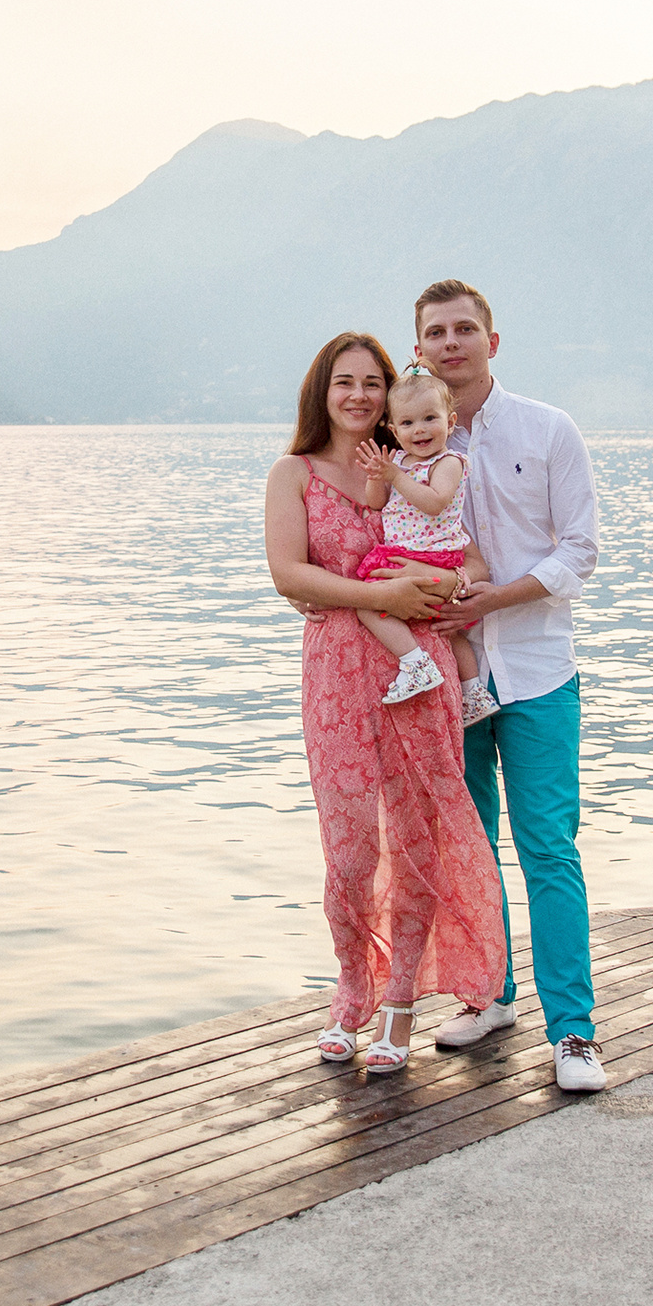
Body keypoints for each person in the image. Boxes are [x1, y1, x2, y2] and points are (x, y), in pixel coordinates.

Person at [263, 332, 508, 1074]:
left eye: (373, 382)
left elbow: (464, 555)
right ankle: (350, 990)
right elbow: (288, 574)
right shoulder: (293, 473)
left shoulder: (409, 465)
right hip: (337, 675)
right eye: (346, 382)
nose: (361, 395)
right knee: (348, 848)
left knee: (414, 838)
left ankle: (400, 1001)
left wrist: (444, 588)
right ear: (322, 391)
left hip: (418, 670)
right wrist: (381, 594)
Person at [412, 279, 608, 1093]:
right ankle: (489, 995)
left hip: (535, 670)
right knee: (468, 844)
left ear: (493, 338)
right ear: (418, 346)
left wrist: (499, 595)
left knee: (548, 848)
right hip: (445, 678)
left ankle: (574, 1033)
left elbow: (581, 550)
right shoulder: (408, 442)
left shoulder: (548, 428)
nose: (451, 342)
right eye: (436, 332)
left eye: (465, 328)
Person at [348, 370, 497, 723]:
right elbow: (377, 503)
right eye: (408, 422)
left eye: (430, 418)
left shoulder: (449, 463)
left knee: (367, 605)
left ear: (450, 422)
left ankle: (416, 663)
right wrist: (376, 477)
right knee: (444, 629)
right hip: (409, 552)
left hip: (432, 555)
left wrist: (396, 477)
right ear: (395, 431)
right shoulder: (398, 462)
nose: (420, 430)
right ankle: (473, 692)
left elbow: (435, 502)